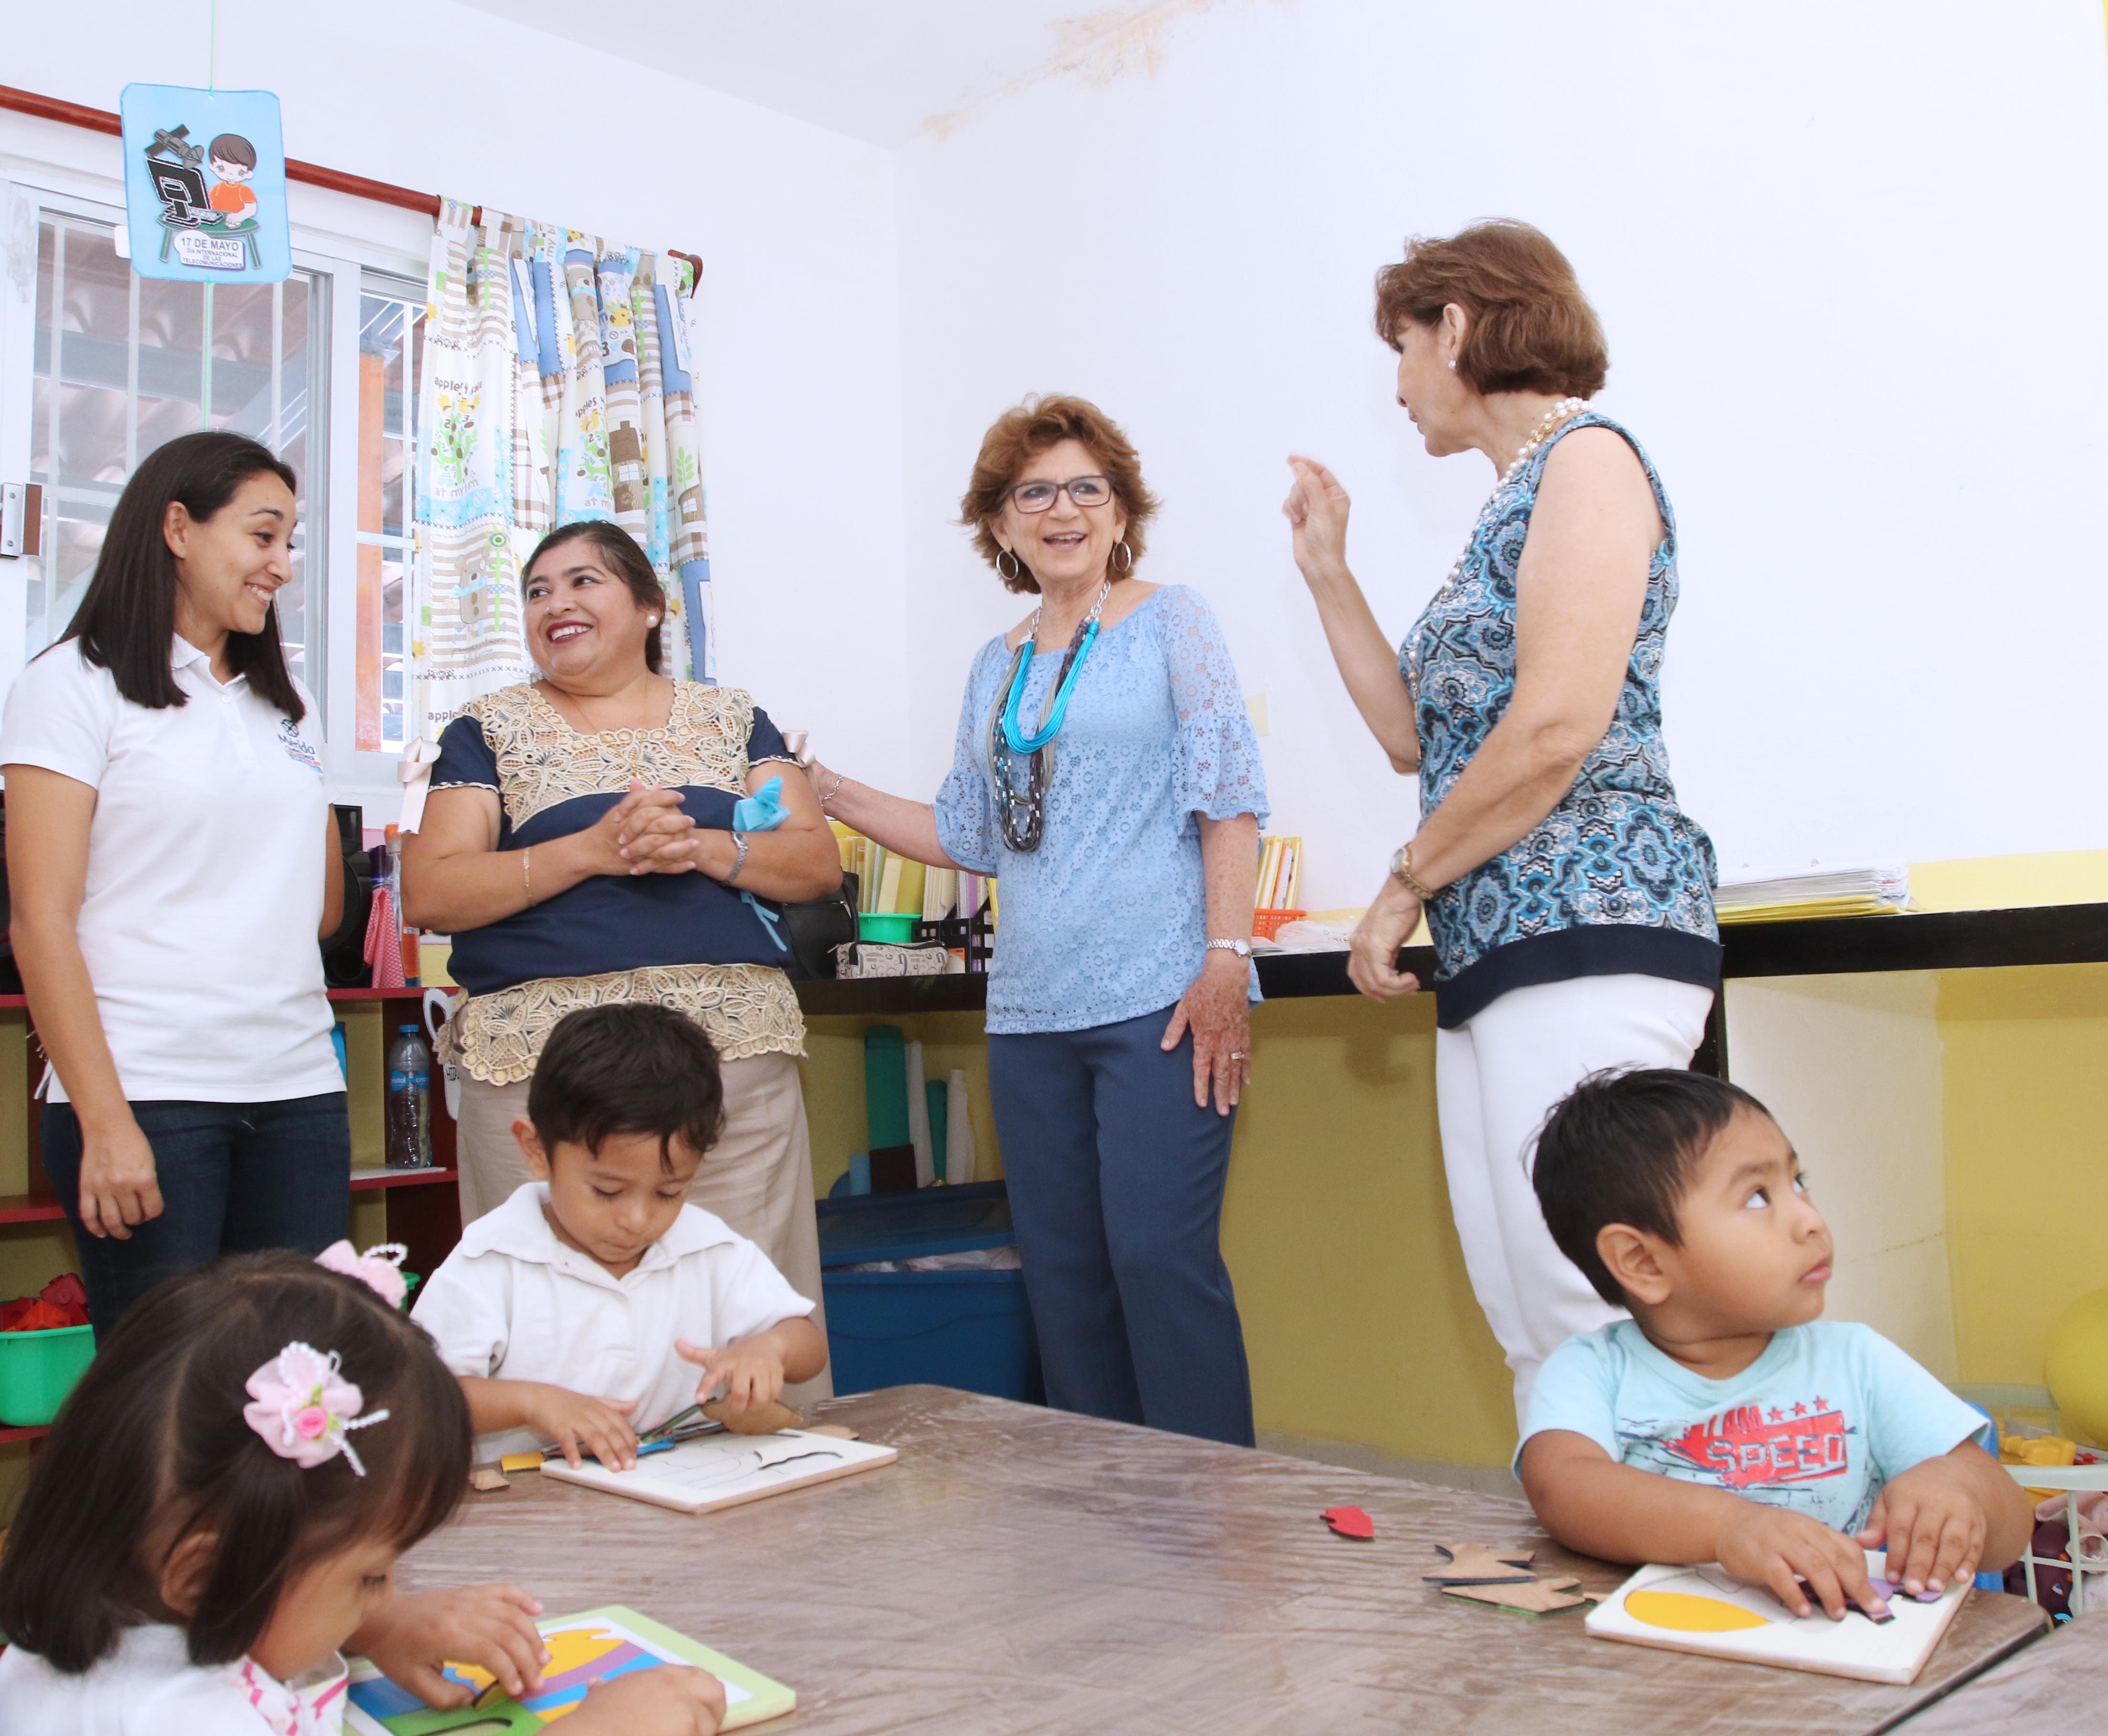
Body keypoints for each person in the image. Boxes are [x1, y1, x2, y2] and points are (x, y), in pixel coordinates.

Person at [1282, 220, 1722, 1421]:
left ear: (1459, 327)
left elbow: (1552, 730)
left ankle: (1692, 1573)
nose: (1398, 380)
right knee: (1525, 1307)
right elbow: (1414, 741)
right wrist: (1327, 568)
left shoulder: (1589, 460)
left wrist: (1400, 885)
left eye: (1404, 344)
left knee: (1586, 1291)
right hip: (1498, 942)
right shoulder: (1508, 505)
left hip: (1587, 919)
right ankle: (1593, 1558)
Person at [806, 395, 1268, 1448]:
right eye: (1035, 492)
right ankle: (1100, 1518)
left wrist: (1225, 961)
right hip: (1027, 1016)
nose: (1063, 509)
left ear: (1120, 511)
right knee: (1063, 1277)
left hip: (1163, 998)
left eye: (1086, 488)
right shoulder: (994, 665)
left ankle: (1215, 1506)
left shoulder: (1173, 620)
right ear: (1002, 524)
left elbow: (1228, 797)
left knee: (1159, 1259)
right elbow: (971, 834)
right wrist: (828, 790)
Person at [398, 521, 839, 1403]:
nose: (555, 602)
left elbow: (815, 862)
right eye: (536, 590)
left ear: (648, 607)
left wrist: (701, 847)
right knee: (538, 1325)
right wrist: (595, 849)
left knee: (750, 1330)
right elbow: (433, 892)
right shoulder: (485, 729)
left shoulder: (732, 717)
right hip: (545, 1072)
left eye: (582, 581)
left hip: (730, 1066)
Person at [0, 1249, 724, 1735]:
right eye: (369, 1576)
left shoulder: (89, 1634)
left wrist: (375, 1626)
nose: (386, 1593)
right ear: (204, 1574)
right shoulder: (180, 1721)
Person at [3, 430, 354, 1333]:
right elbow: (41, 922)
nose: (282, 563)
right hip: (149, 1090)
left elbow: (319, 909)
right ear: (177, 527)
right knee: (168, 1400)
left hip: (296, 1089)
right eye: (263, 534)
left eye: (290, 541)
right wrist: (105, 1120)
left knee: (299, 1379)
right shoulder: (72, 686)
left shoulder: (284, 704)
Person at [1516, 1070, 2031, 1618]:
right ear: (1642, 1262)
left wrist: (1957, 1489)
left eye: (1799, 1182)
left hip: (1845, 1655)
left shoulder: (1857, 1361)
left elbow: (2012, 1530)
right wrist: (1731, 1528)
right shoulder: (1593, 1372)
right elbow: (1563, 1489)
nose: (1811, 1220)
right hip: (1673, 1665)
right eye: (1759, 1197)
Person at [411, 1003, 827, 1469]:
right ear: (537, 1150)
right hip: (532, 1508)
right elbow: (422, 1399)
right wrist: (533, 1403)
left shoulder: (705, 1245)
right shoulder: (491, 1260)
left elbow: (808, 1347)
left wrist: (768, 1350)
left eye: (668, 1193)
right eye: (608, 1191)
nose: (637, 1219)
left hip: (684, 1494)